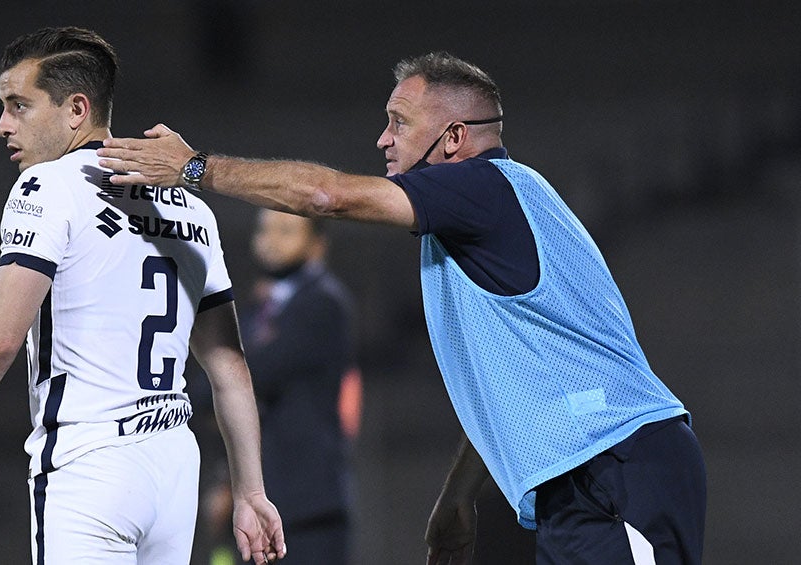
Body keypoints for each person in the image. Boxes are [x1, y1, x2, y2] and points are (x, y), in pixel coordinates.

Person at [96, 52, 708, 564]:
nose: (382, 139)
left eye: (399, 121)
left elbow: (325, 195)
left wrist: (193, 167)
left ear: (454, 139)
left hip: (615, 467)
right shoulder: (490, 212)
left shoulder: (482, 189)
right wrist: (457, 498)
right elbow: (514, 389)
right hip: (584, 471)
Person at [0, 26, 286, 565]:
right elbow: (228, 366)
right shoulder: (193, 208)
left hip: (91, 461)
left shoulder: (48, 187)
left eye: (18, 105)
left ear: (76, 109)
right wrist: (251, 491)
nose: (2, 125)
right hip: (174, 463)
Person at [198, 210, 359, 565]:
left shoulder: (323, 304)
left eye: (286, 231)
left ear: (317, 245)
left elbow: (250, 375)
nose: (270, 240)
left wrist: (214, 382)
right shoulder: (257, 307)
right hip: (256, 501)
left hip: (307, 506)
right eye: (264, 229)